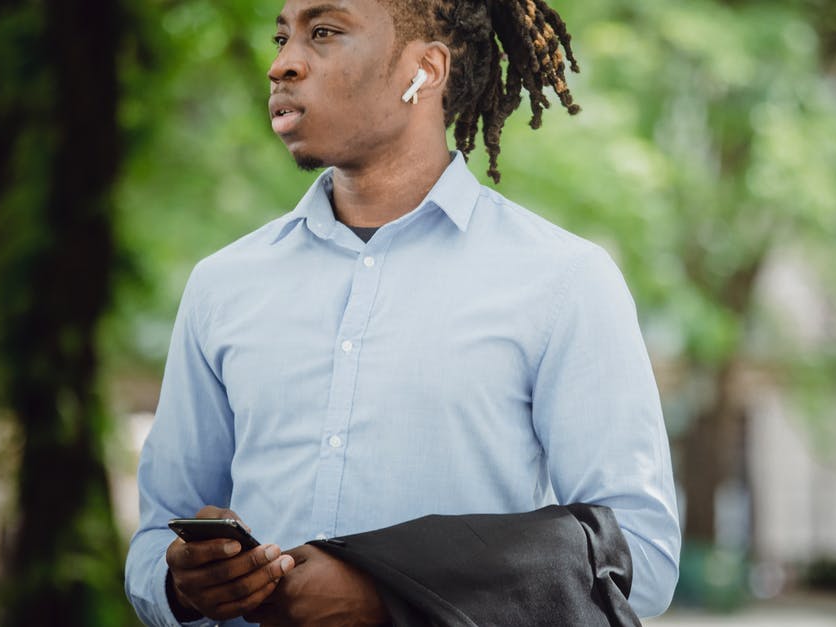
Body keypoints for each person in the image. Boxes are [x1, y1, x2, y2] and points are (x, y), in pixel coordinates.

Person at [124, 0, 680, 624]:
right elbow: (152, 546)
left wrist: (387, 598)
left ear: (424, 70)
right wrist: (186, 588)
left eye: (324, 33)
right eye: (282, 38)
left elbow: (640, 562)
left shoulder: (565, 282)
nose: (282, 65)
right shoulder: (220, 286)